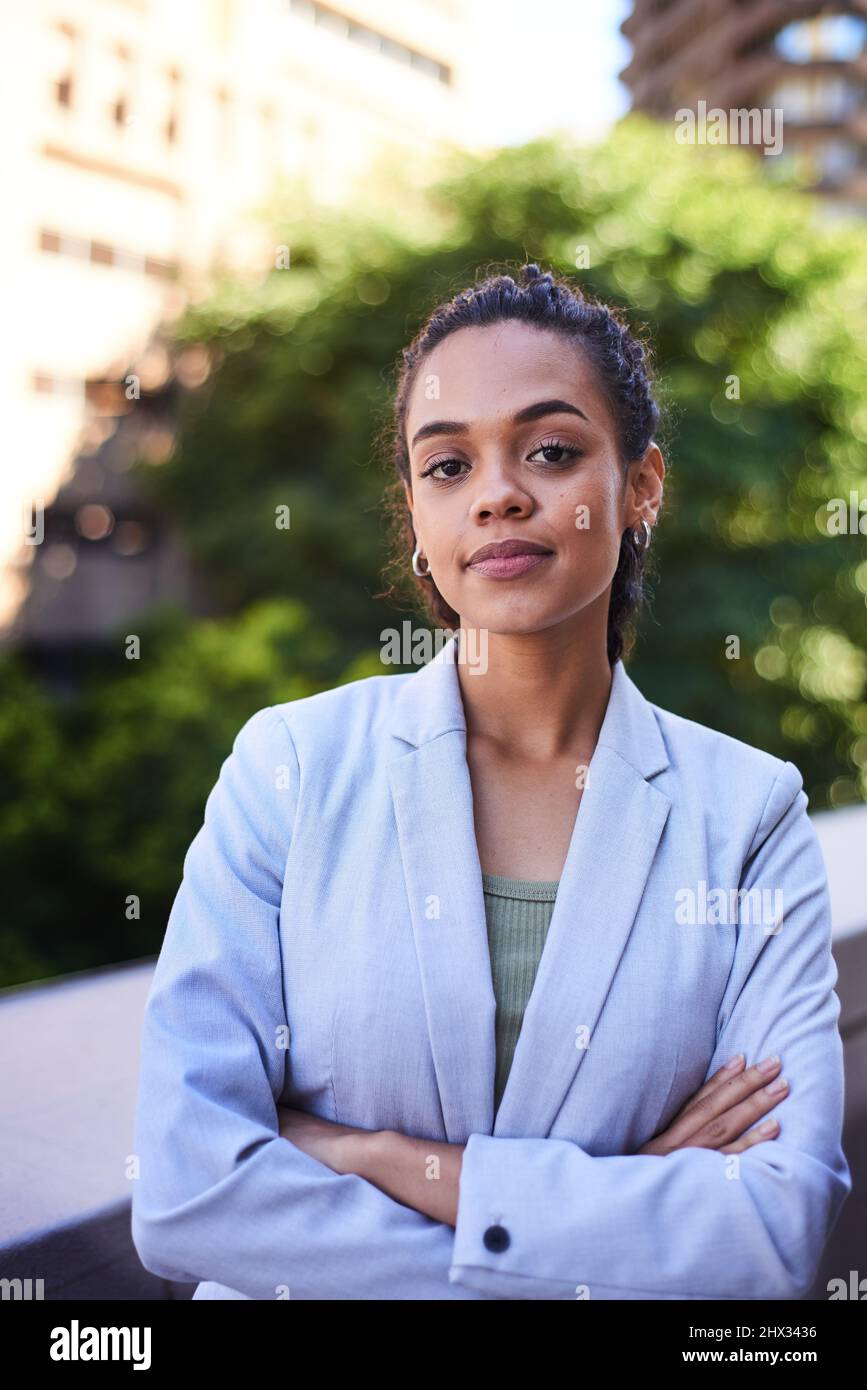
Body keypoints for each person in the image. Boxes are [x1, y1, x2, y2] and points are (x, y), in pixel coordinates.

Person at [131, 264, 851, 1300]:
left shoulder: (747, 814)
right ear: (417, 510)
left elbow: (771, 1234)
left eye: (552, 451)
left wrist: (393, 1160)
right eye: (448, 465)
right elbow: (185, 1192)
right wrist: (613, 1208)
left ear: (641, 485)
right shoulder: (290, 769)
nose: (500, 493)